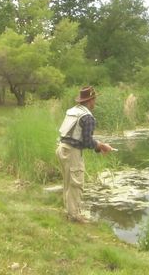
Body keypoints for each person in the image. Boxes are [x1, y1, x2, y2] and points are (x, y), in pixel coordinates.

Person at [56, 86, 114, 223]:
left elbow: (77, 136)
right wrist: (102, 146)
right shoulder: (87, 117)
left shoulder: (72, 111)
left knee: (68, 183)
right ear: (90, 100)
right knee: (76, 184)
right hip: (72, 152)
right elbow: (87, 141)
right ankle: (74, 216)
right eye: (95, 99)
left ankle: (70, 212)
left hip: (61, 148)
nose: (95, 102)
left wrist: (98, 146)